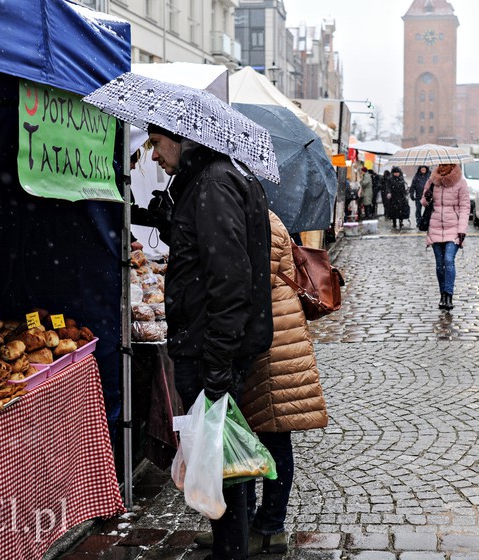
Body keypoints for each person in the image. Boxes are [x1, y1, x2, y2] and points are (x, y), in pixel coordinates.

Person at [146, 122, 274, 560]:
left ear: (182, 139)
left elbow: (230, 281)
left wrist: (218, 363)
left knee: (222, 466)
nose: (154, 155)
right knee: (220, 463)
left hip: (209, 349)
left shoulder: (214, 183)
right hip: (209, 344)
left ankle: (230, 550)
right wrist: (171, 219)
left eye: (157, 143)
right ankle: (229, 546)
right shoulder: (211, 180)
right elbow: (207, 259)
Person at [194, 210, 329, 556]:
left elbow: (252, 285)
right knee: (252, 434)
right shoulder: (253, 215)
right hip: (267, 338)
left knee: (273, 435)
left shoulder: (262, 221)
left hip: (274, 344)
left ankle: (269, 528)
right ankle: (245, 522)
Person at [421, 163, 469, 310]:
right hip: (435, 227)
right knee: (439, 264)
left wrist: (462, 229)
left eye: (445, 164)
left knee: (448, 260)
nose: (442, 167)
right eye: (440, 164)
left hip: (453, 228)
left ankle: (448, 295)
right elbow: (424, 202)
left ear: (452, 165)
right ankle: (442, 294)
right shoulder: (432, 181)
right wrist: (427, 197)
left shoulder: (460, 182)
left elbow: (465, 207)